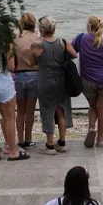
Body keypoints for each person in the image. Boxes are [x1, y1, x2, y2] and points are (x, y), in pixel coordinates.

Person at [31, 16, 76, 155]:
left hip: (45, 81)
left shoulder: (38, 45)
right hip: (61, 81)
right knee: (61, 110)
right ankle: (62, 142)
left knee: (47, 112)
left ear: (42, 30)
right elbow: (74, 54)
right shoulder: (62, 42)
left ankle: (50, 145)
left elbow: (33, 62)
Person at [73, 15, 103, 148]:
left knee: (93, 107)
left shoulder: (81, 38)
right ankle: (100, 138)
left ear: (88, 25)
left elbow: (70, 49)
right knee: (102, 108)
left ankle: (91, 128)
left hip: (87, 80)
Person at [11, 12, 42, 150]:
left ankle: (20, 140)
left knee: (20, 111)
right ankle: (28, 139)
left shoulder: (15, 38)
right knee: (30, 111)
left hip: (18, 75)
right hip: (34, 75)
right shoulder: (37, 38)